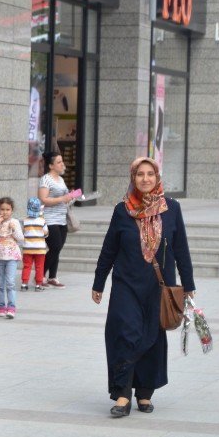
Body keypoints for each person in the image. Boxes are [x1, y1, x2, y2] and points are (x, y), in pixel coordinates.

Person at [92, 157, 195, 418]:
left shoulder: (171, 209)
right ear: (133, 177)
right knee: (125, 334)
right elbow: (109, 250)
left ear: (157, 177)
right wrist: (98, 282)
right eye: (140, 174)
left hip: (158, 288)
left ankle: (145, 391)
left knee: (151, 337)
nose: (145, 179)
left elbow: (181, 248)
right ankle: (123, 394)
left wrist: (188, 284)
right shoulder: (121, 210)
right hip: (126, 285)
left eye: (150, 174)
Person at [38, 152, 82, 287]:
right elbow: (43, 199)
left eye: (62, 161)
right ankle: (40, 276)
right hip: (50, 219)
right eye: (59, 162)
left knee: (58, 248)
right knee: (55, 246)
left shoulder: (61, 180)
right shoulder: (46, 179)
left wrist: (71, 196)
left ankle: (52, 276)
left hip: (62, 217)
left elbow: (64, 200)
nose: (62, 164)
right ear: (51, 165)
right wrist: (62, 198)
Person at [0, 197, 23, 319]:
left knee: (10, 283)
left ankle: (11, 307)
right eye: (2, 209)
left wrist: (13, 229)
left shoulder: (15, 222)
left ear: (12, 210)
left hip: (11, 257)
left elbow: (20, 238)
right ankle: (1, 307)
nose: (5, 212)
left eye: (7, 209)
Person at [20, 197, 49, 291]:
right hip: (40, 249)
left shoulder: (25, 221)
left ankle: (24, 284)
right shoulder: (42, 221)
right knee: (39, 267)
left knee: (27, 266)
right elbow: (46, 233)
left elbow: (23, 233)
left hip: (27, 248)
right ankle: (38, 285)